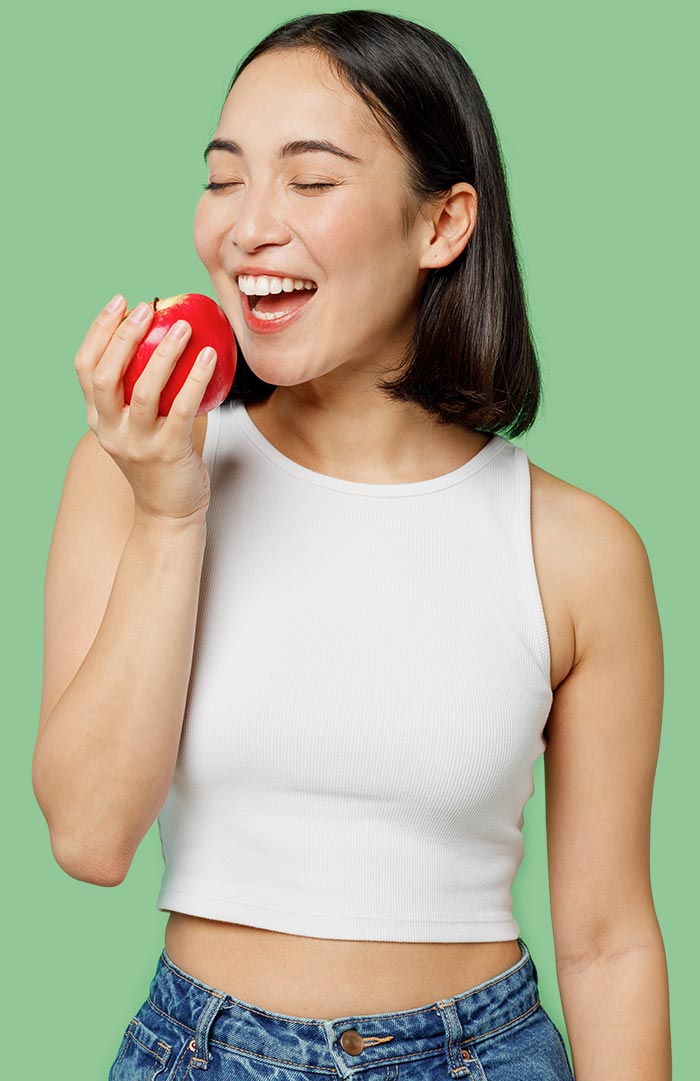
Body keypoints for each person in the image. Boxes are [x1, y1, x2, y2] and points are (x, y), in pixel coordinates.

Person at [32, 10, 670, 1080]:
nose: (246, 228)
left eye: (310, 182)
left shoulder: (578, 550)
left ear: (443, 224)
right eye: (225, 178)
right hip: (202, 1051)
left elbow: (607, 943)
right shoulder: (131, 468)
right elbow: (90, 838)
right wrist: (171, 510)